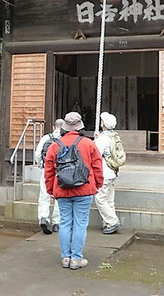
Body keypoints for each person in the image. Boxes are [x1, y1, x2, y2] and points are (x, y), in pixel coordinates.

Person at [45, 112, 103, 270]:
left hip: (62, 189)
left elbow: (48, 171)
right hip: (84, 189)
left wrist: (51, 189)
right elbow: (97, 166)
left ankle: (65, 257)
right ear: (80, 127)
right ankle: (76, 258)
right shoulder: (89, 144)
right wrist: (98, 184)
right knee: (80, 223)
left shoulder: (54, 145)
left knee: (65, 222)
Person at [94, 112, 123, 234]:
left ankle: (112, 222)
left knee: (100, 198)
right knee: (109, 199)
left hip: (104, 173)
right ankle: (108, 223)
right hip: (113, 171)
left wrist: (96, 141)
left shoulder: (102, 139)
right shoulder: (115, 136)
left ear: (103, 124)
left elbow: (96, 155)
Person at [34, 118, 64, 234]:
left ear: (53, 127)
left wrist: (41, 165)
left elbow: (38, 154)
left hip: (46, 170)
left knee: (44, 194)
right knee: (59, 196)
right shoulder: (64, 139)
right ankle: (57, 222)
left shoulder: (46, 138)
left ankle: (43, 218)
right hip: (61, 172)